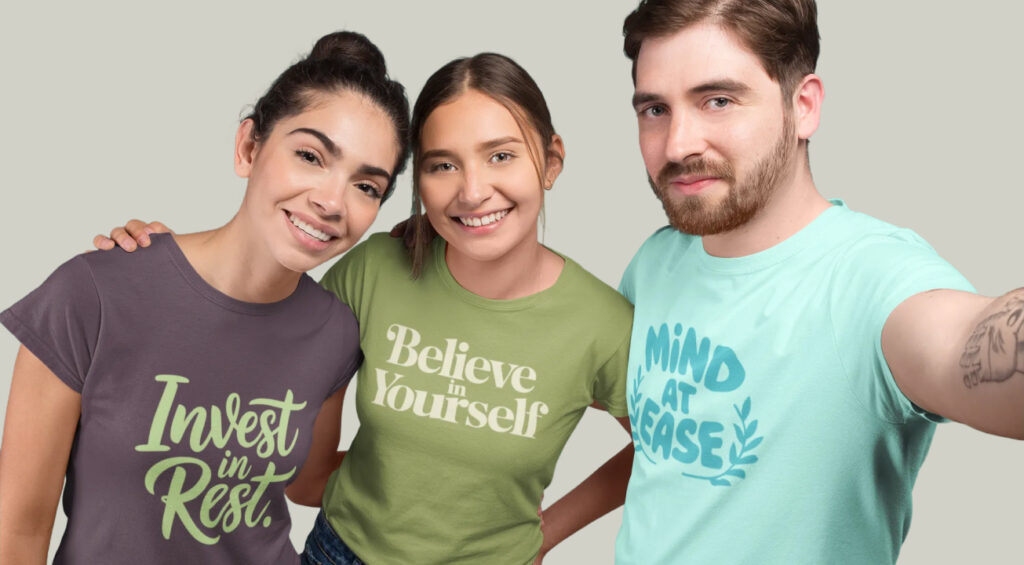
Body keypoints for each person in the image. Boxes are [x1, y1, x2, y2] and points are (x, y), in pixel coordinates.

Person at [95, 53, 634, 564]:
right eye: (442, 165)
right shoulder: (375, 269)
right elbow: (267, 342)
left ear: (552, 160)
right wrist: (176, 268)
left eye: (501, 155)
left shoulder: (602, 324)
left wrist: (549, 532)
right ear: (418, 182)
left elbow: (664, 454)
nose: (472, 191)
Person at [613, 1, 1023, 564]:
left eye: (718, 100)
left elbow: (960, 343)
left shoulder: (869, 276)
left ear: (802, 106)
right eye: (655, 109)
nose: (678, 144)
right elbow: (660, 452)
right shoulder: (654, 264)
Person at [0, 31, 410, 565]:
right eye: (310, 155)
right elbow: (18, 531)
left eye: (366, 187)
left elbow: (306, 486)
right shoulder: (94, 293)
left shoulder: (335, 332)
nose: (332, 201)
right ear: (249, 147)